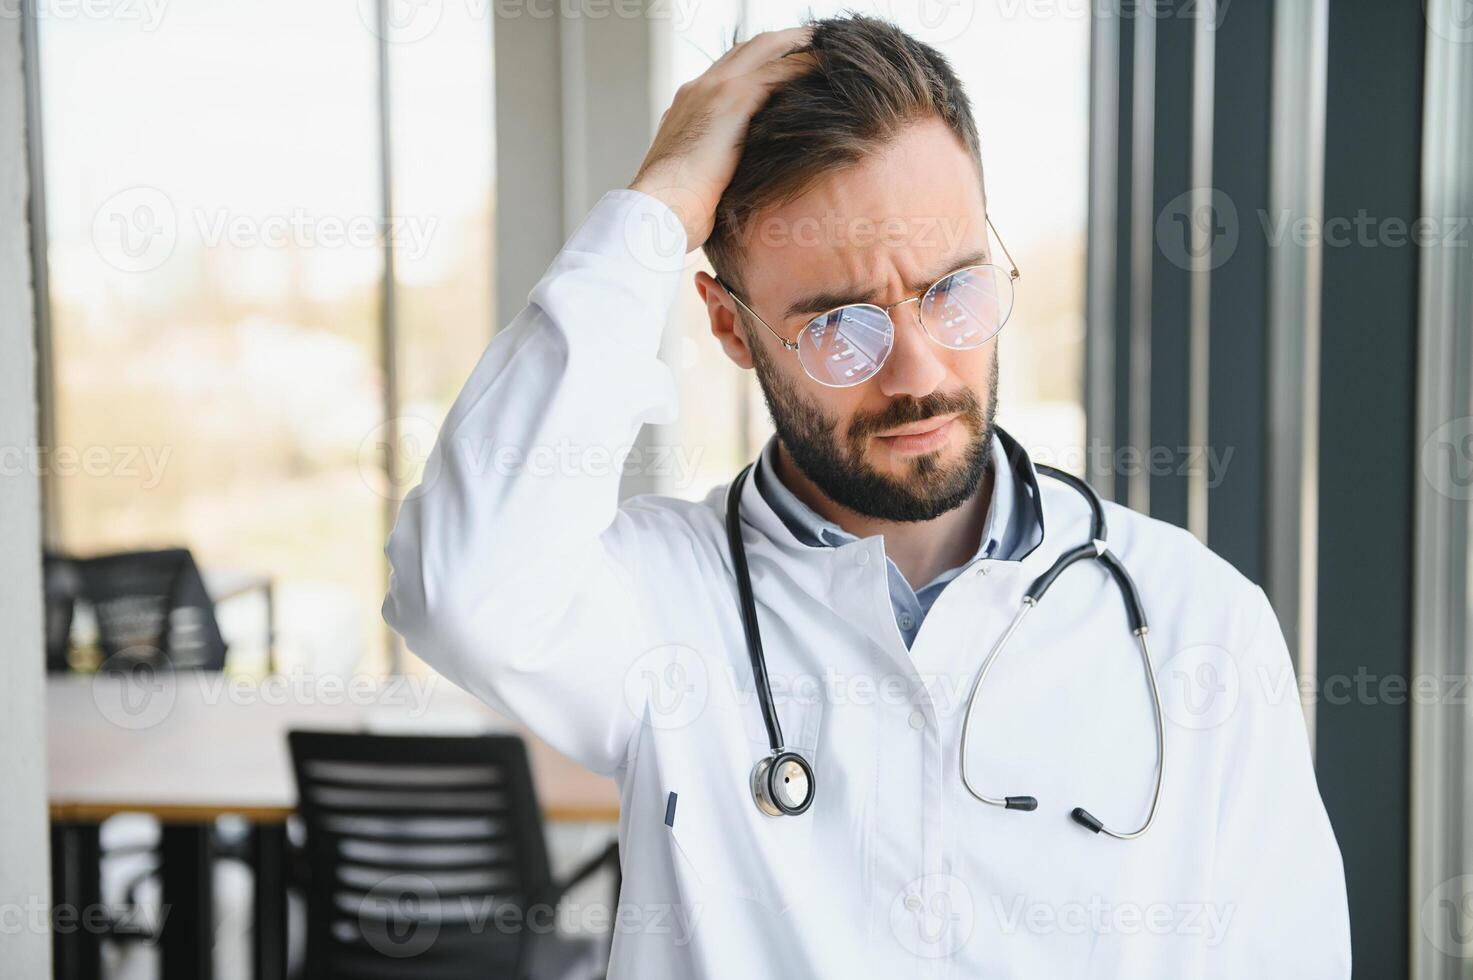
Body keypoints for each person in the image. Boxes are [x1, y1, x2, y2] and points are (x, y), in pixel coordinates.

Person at [384, 14, 1351, 976]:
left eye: (954, 290)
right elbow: (463, 591)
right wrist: (655, 211)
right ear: (729, 326)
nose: (918, 372)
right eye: (839, 326)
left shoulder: (1197, 619)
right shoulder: (655, 603)